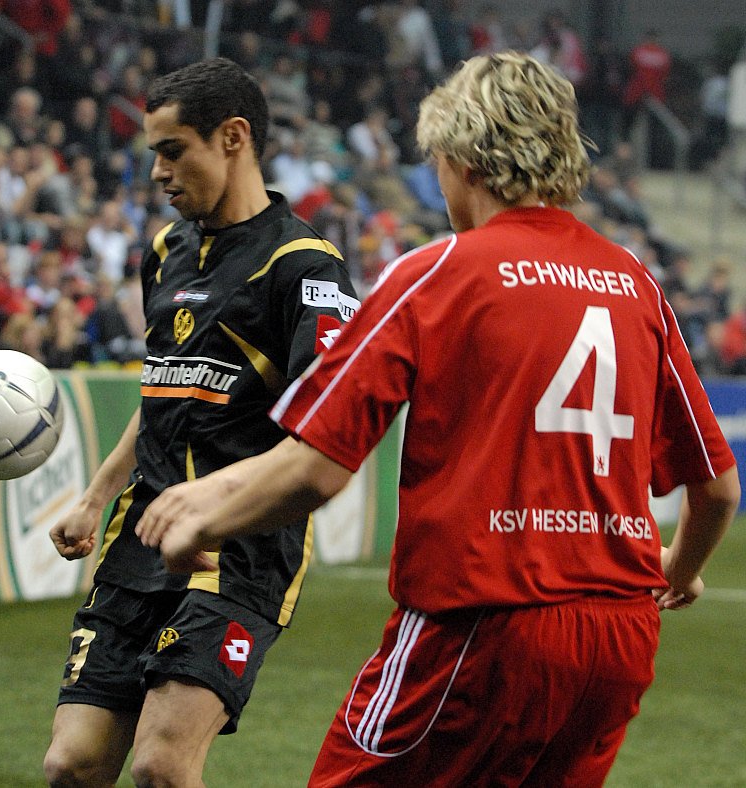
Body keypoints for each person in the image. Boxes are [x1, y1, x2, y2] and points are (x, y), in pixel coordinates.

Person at [135, 52, 740, 786]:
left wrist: (206, 519)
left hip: (482, 623)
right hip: (617, 641)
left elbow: (316, 469)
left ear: (463, 159)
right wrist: (679, 569)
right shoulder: (634, 282)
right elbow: (716, 490)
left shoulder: (438, 272)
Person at [42, 56, 358, 787]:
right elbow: (163, 388)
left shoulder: (305, 266)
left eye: (172, 150)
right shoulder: (165, 252)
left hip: (241, 543)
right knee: (71, 764)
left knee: (161, 765)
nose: (157, 172)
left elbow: (327, 428)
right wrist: (95, 496)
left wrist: (214, 502)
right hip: (141, 532)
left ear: (233, 138)